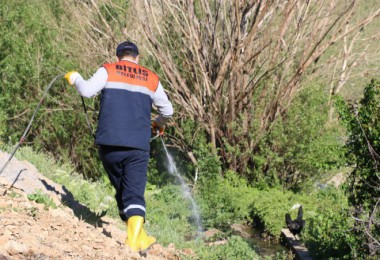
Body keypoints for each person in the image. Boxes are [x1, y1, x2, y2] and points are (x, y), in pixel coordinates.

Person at [64, 41, 173, 252]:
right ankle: (133, 242)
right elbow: (168, 111)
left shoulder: (108, 70)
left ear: (118, 57)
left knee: (123, 189)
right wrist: (158, 123)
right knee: (133, 191)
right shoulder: (151, 77)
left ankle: (140, 236)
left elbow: (86, 91)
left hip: (108, 144)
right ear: (137, 57)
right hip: (137, 145)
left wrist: (75, 77)